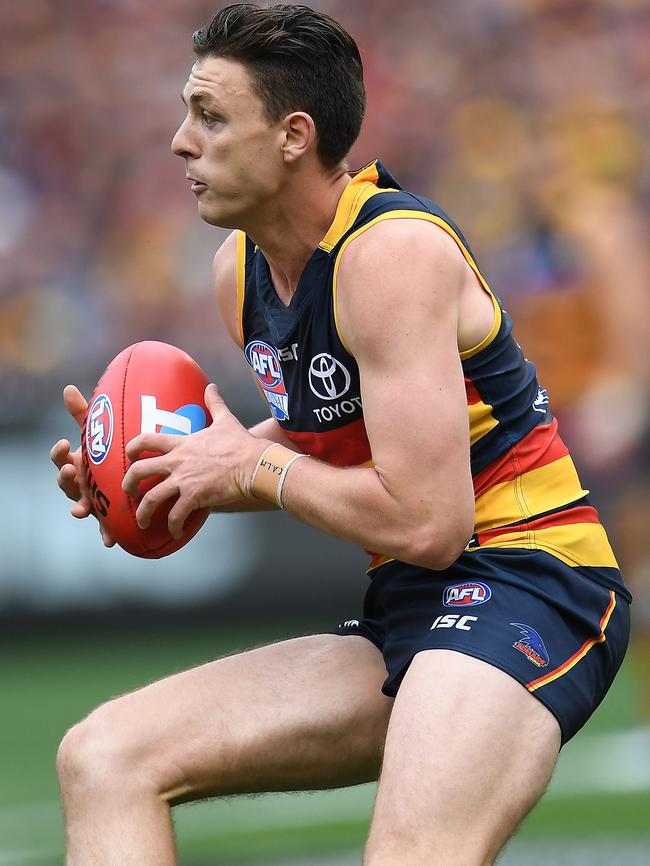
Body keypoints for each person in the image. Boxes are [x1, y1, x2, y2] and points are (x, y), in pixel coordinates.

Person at [50, 4, 631, 864]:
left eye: (210, 115)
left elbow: (431, 526)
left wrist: (250, 470)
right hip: (412, 613)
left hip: (532, 585)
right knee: (102, 757)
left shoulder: (391, 253)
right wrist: (171, 472)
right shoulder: (238, 273)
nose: (179, 140)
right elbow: (325, 442)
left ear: (293, 135)